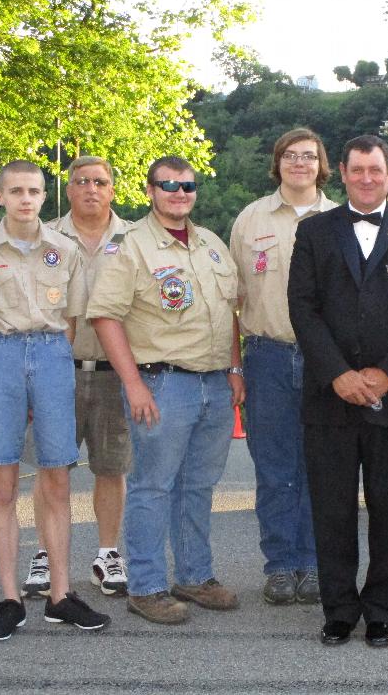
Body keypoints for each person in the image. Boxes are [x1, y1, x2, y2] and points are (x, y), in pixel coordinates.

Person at [287, 135, 388, 648]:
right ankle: (338, 610)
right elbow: (302, 308)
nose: (366, 179)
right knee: (332, 509)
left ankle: (382, 610)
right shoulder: (314, 232)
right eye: (357, 170)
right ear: (342, 172)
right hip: (329, 396)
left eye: (375, 170)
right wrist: (337, 373)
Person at [0, 159, 109, 642]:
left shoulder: (63, 249)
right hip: (2, 355)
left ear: (43, 196)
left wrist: (49, 360)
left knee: (57, 477)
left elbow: (72, 319)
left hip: (53, 352)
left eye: (34, 191)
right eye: (15, 191)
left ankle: (60, 596)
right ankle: (11, 599)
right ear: (0, 196)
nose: (25, 199)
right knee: (4, 484)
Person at [88, 156, 245, 626]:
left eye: (187, 186)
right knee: (153, 487)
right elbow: (106, 316)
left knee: (197, 486)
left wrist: (235, 368)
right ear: (150, 190)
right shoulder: (130, 246)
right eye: (169, 185)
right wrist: (133, 384)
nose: (179, 193)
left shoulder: (211, 243)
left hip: (214, 382)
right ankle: (146, 586)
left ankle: (194, 576)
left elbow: (229, 314)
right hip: (161, 382)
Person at [229, 128, 337, 605]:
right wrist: (235, 367)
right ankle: (279, 566)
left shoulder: (342, 219)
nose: (299, 163)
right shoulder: (250, 220)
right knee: (274, 470)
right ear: (277, 163)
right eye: (290, 155)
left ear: (321, 165)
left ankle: (314, 564)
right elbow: (231, 302)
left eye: (308, 156)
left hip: (325, 360)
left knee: (321, 467)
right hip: (267, 356)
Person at [20, 156, 134, 601]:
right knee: (51, 469)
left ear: (112, 190)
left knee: (112, 467)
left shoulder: (135, 238)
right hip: (56, 371)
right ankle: (46, 555)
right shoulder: (43, 236)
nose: (91, 189)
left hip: (113, 373)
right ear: (68, 190)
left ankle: (107, 555)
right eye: (82, 181)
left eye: (100, 182)